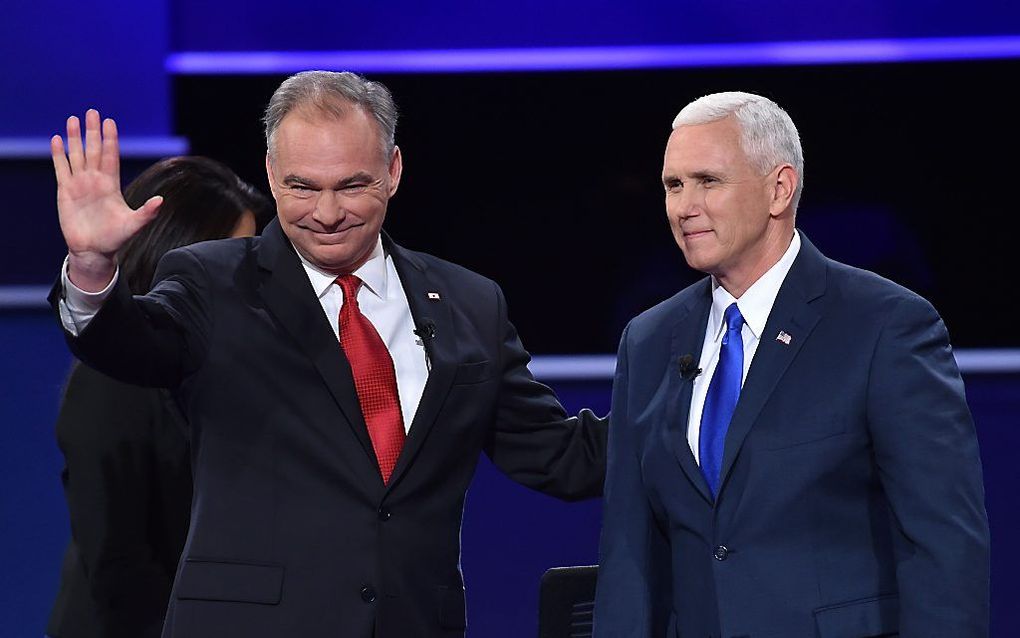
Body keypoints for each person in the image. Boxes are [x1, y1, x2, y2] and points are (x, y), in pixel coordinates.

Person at [48, 71, 606, 638]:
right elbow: (128, 347)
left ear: (393, 171)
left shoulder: (470, 302)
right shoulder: (213, 283)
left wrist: (691, 393)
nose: (328, 212)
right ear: (270, 173)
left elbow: (559, 455)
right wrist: (93, 268)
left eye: (352, 185)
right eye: (303, 187)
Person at [593, 92, 989, 637]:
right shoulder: (649, 340)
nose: (684, 207)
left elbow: (944, 545)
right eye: (673, 185)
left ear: (780, 188)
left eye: (708, 181)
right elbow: (628, 553)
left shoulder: (884, 326)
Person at [46, 156, 271, 638]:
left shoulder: (241, 370)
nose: (244, 282)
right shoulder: (111, 382)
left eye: (247, 260)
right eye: (225, 259)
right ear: (173, 253)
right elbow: (119, 566)